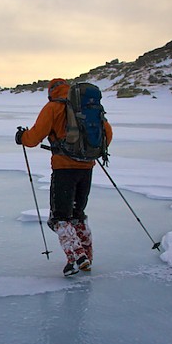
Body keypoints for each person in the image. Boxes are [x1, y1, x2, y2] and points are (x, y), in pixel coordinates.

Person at [15, 78, 113, 276]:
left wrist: (21, 138)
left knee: (60, 217)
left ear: (51, 91)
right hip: (87, 168)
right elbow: (107, 134)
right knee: (77, 214)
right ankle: (87, 255)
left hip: (64, 169)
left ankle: (77, 257)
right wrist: (88, 153)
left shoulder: (53, 107)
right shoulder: (86, 107)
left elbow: (34, 138)